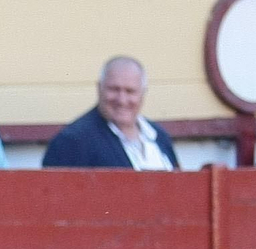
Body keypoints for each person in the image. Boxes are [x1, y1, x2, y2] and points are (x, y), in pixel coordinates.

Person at [42, 56, 178, 170]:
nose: (122, 100)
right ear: (99, 88)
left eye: (130, 91)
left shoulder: (159, 136)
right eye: (114, 89)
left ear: (143, 93)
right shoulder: (72, 142)